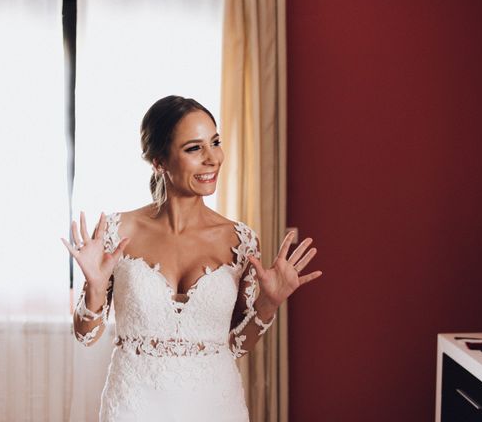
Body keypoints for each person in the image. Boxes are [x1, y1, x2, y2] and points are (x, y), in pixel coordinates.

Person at [61, 95, 322, 422]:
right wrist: (96, 288)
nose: (213, 158)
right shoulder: (116, 231)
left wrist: (269, 303)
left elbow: (236, 345)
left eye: (215, 142)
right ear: (159, 161)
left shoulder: (240, 240)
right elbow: (87, 335)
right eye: (194, 148)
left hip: (215, 406)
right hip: (133, 406)